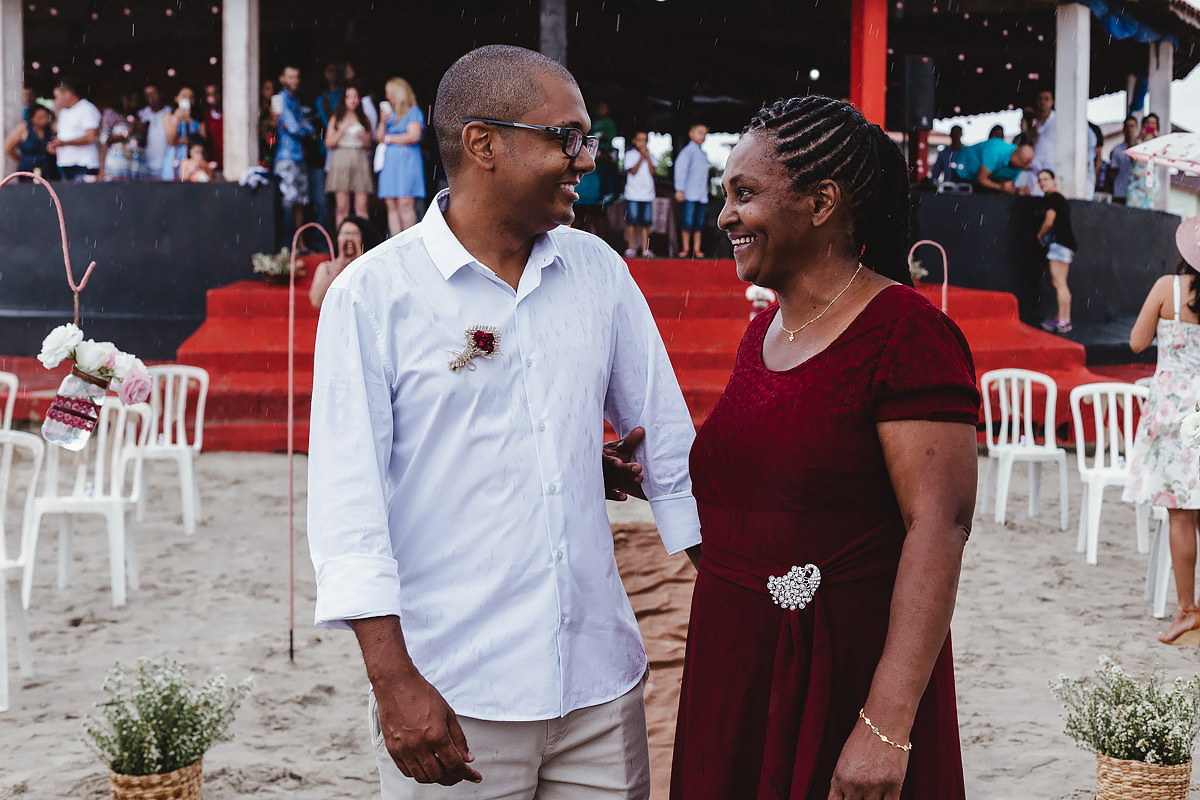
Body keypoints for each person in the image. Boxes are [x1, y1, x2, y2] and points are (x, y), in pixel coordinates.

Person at [307, 43, 700, 799]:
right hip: (454, 696)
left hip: (599, 688)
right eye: (566, 137)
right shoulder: (373, 297)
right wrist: (395, 683)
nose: (584, 158)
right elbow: (347, 509)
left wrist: (745, 585)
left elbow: (668, 446)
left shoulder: (598, 274)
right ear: (483, 144)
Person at [671, 95, 979, 800]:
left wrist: (886, 723)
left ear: (821, 202)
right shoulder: (763, 334)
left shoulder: (906, 333)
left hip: (840, 676)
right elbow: (771, 496)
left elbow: (941, 524)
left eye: (744, 194)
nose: (724, 216)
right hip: (737, 666)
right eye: (725, 195)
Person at [1123, 215, 1200, 644]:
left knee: (1180, 514)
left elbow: (1136, 342)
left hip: (1174, 411)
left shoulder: (1166, 288)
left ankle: (1188, 609)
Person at [375, 77, 425, 236]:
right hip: (390, 164)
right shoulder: (390, 115)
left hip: (406, 162)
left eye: (390, 93)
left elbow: (414, 136)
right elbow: (378, 137)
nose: (387, 97)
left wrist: (390, 139)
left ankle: (409, 241)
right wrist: (382, 122)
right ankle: (395, 242)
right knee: (391, 204)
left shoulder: (413, 111)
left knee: (405, 204)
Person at [274, 66, 315, 248]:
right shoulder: (281, 99)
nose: (295, 81)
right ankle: (287, 245)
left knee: (300, 202)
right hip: (286, 158)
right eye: (291, 77)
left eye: (297, 77)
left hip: (298, 158)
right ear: (282, 78)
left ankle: (300, 243)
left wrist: (303, 126)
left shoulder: (295, 101)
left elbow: (310, 129)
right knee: (289, 203)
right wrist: (302, 125)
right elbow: (295, 127)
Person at [308, 215, 382, 310]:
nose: (349, 238)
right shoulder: (326, 267)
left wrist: (359, 261)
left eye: (355, 234)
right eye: (345, 233)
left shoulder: (370, 267)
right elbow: (316, 302)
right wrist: (336, 270)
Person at [1034, 170, 1077, 334]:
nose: (1042, 183)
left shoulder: (1053, 198)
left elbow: (1050, 219)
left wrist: (1040, 234)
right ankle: (1062, 318)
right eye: (1040, 180)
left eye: (1045, 179)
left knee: (1059, 283)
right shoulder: (1059, 197)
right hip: (1064, 244)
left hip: (1060, 244)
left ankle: (1064, 320)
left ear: (1054, 180)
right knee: (1060, 282)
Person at [325, 84, 374, 224]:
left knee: (362, 205)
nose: (353, 100)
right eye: (349, 97)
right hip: (341, 157)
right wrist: (342, 130)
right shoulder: (336, 118)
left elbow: (369, 143)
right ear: (343, 99)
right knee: (342, 206)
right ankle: (342, 242)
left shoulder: (364, 118)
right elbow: (328, 143)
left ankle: (365, 243)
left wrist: (361, 136)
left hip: (360, 158)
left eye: (356, 96)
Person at [49, 79, 101, 182]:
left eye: (57, 96)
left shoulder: (87, 108)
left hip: (83, 164)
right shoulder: (63, 112)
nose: (56, 100)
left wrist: (64, 143)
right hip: (65, 163)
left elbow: (90, 137)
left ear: (68, 94)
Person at [674, 123, 710, 257]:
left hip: (701, 194)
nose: (703, 136)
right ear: (691, 133)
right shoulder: (687, 152)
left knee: (699, 223)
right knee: (687, 222)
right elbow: (680, 170)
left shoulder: (702, 154)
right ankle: (685, 248)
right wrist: (680, 189)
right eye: (700, 133)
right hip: (689, 193)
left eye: (705, 134)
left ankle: (697, 248)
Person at [952, 139, 1033, 193]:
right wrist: (1001, 187)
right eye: (1025, 164)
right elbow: (981, 179)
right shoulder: (995, 151)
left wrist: (1018, 190)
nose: (1026, 167)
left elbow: (1010, 186)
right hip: (962, 171)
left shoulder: (1020, 164)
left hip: (986, 179)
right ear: (1022, 161)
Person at [99, 89, 147, 182]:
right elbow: (104, 139)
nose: (133, 104)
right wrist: (128, 132)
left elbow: (142, 142)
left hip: (136, 164)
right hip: (117, 164)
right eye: (131, 100)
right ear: (124, 99)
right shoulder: (111, 113)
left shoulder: (138, 116)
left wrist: (140, 130)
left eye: (136, 101)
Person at [162, 86, 205, 181]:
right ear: (176, 98)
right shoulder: (168, 117)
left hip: (192, 159)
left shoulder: (198, 119)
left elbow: (201, 140)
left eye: (191, 97)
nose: (188, 100)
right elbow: (171, 140)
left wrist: (181, 140)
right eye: (184, 96)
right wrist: (177, 119)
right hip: (174, 158)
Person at [623, 131, 656, 257]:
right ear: (634, 141)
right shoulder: (630, 155)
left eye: (645, 140)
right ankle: (630, 248)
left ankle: (645, 249)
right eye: (640, 140)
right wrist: (642, 157)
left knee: (646, 223)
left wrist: (647, 158)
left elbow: (653, 172)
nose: (643, 143)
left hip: (647, 194)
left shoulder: (651, 155)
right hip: (633, 194)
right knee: (632, 221)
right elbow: (633, 171)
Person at [5, 104, 54, 179]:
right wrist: (22, 159)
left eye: (46, 116)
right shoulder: (23, 128)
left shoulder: (51, 130)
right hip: (28, 169)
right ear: (32, 118)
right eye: (40, 117)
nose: (44, 119)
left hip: (48, 169)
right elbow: (8, 148)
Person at [138, 83, 172, 179]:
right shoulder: (142, 114)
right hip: (146, 163)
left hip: (166, 163)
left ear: (161, 94)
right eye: (147, 95)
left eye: (153, 94)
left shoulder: (170, 112)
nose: (150, 98)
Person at [1128, 113, 1161, 210]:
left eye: (1153, 123)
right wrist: (1140, 137)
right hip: (1136, 183)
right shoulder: (1137, 142)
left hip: (1151, 185)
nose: (1150, 126)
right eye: (1148, 123)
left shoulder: (1159, 144)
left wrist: (1157, 139)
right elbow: (1132, 155)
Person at [1109, 115, 1140, 205]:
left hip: (1138, 194)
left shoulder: (1143, 149)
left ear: (1137, 128)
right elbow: (1113, 172)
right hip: (1120, 193)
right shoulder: (1117, 150)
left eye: (1132, 126)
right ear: (1123, 129)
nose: (1129, 129)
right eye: (1127, 126)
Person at [202, 83, 223, 173]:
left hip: (230, 160)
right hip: (213, 162)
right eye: (208, 95)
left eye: (214, 94)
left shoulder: (230, 114)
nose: (212, 97)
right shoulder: (206, 116)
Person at [257, 78, 277, 168]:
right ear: (261, 90)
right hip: (263, 148)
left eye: (272, 88)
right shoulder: (259, 109)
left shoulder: (275, 108)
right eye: (267, 89)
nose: (270, 92)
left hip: (274, 148)